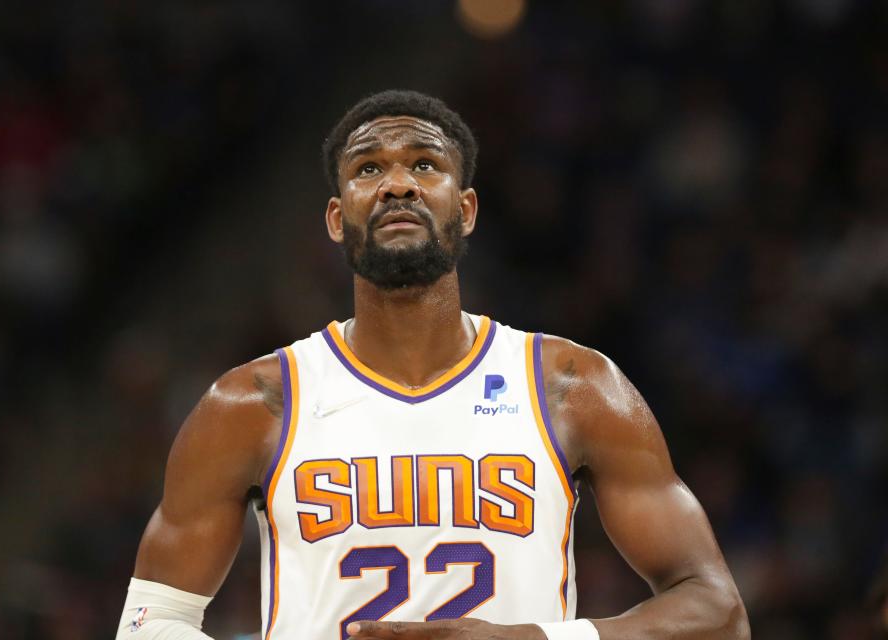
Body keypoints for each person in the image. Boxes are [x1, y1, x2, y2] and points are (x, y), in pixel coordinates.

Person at [115, 90, 749, 640]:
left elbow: (717, 613)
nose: (397, 183)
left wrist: (534, 639)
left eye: (424, 164)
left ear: (465, 208)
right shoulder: (252, 402)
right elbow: (148, 622)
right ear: (337, 220)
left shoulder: (572, 386)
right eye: (368, 168)